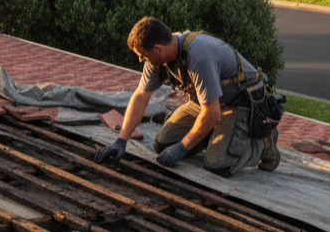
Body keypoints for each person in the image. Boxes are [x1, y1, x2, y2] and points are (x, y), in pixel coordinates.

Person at [93, 16, 280, 176]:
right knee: (163, 145)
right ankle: (214, 134)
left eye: (143, 56)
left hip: (237, 105)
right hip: (205, 104)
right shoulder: (159, 59)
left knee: (218, 165)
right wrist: (121, 141)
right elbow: (141, 95)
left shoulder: (199, 56)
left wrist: (182, 148)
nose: (142, 60)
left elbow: (212, 112)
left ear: (158, 49)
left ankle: (263, 143)